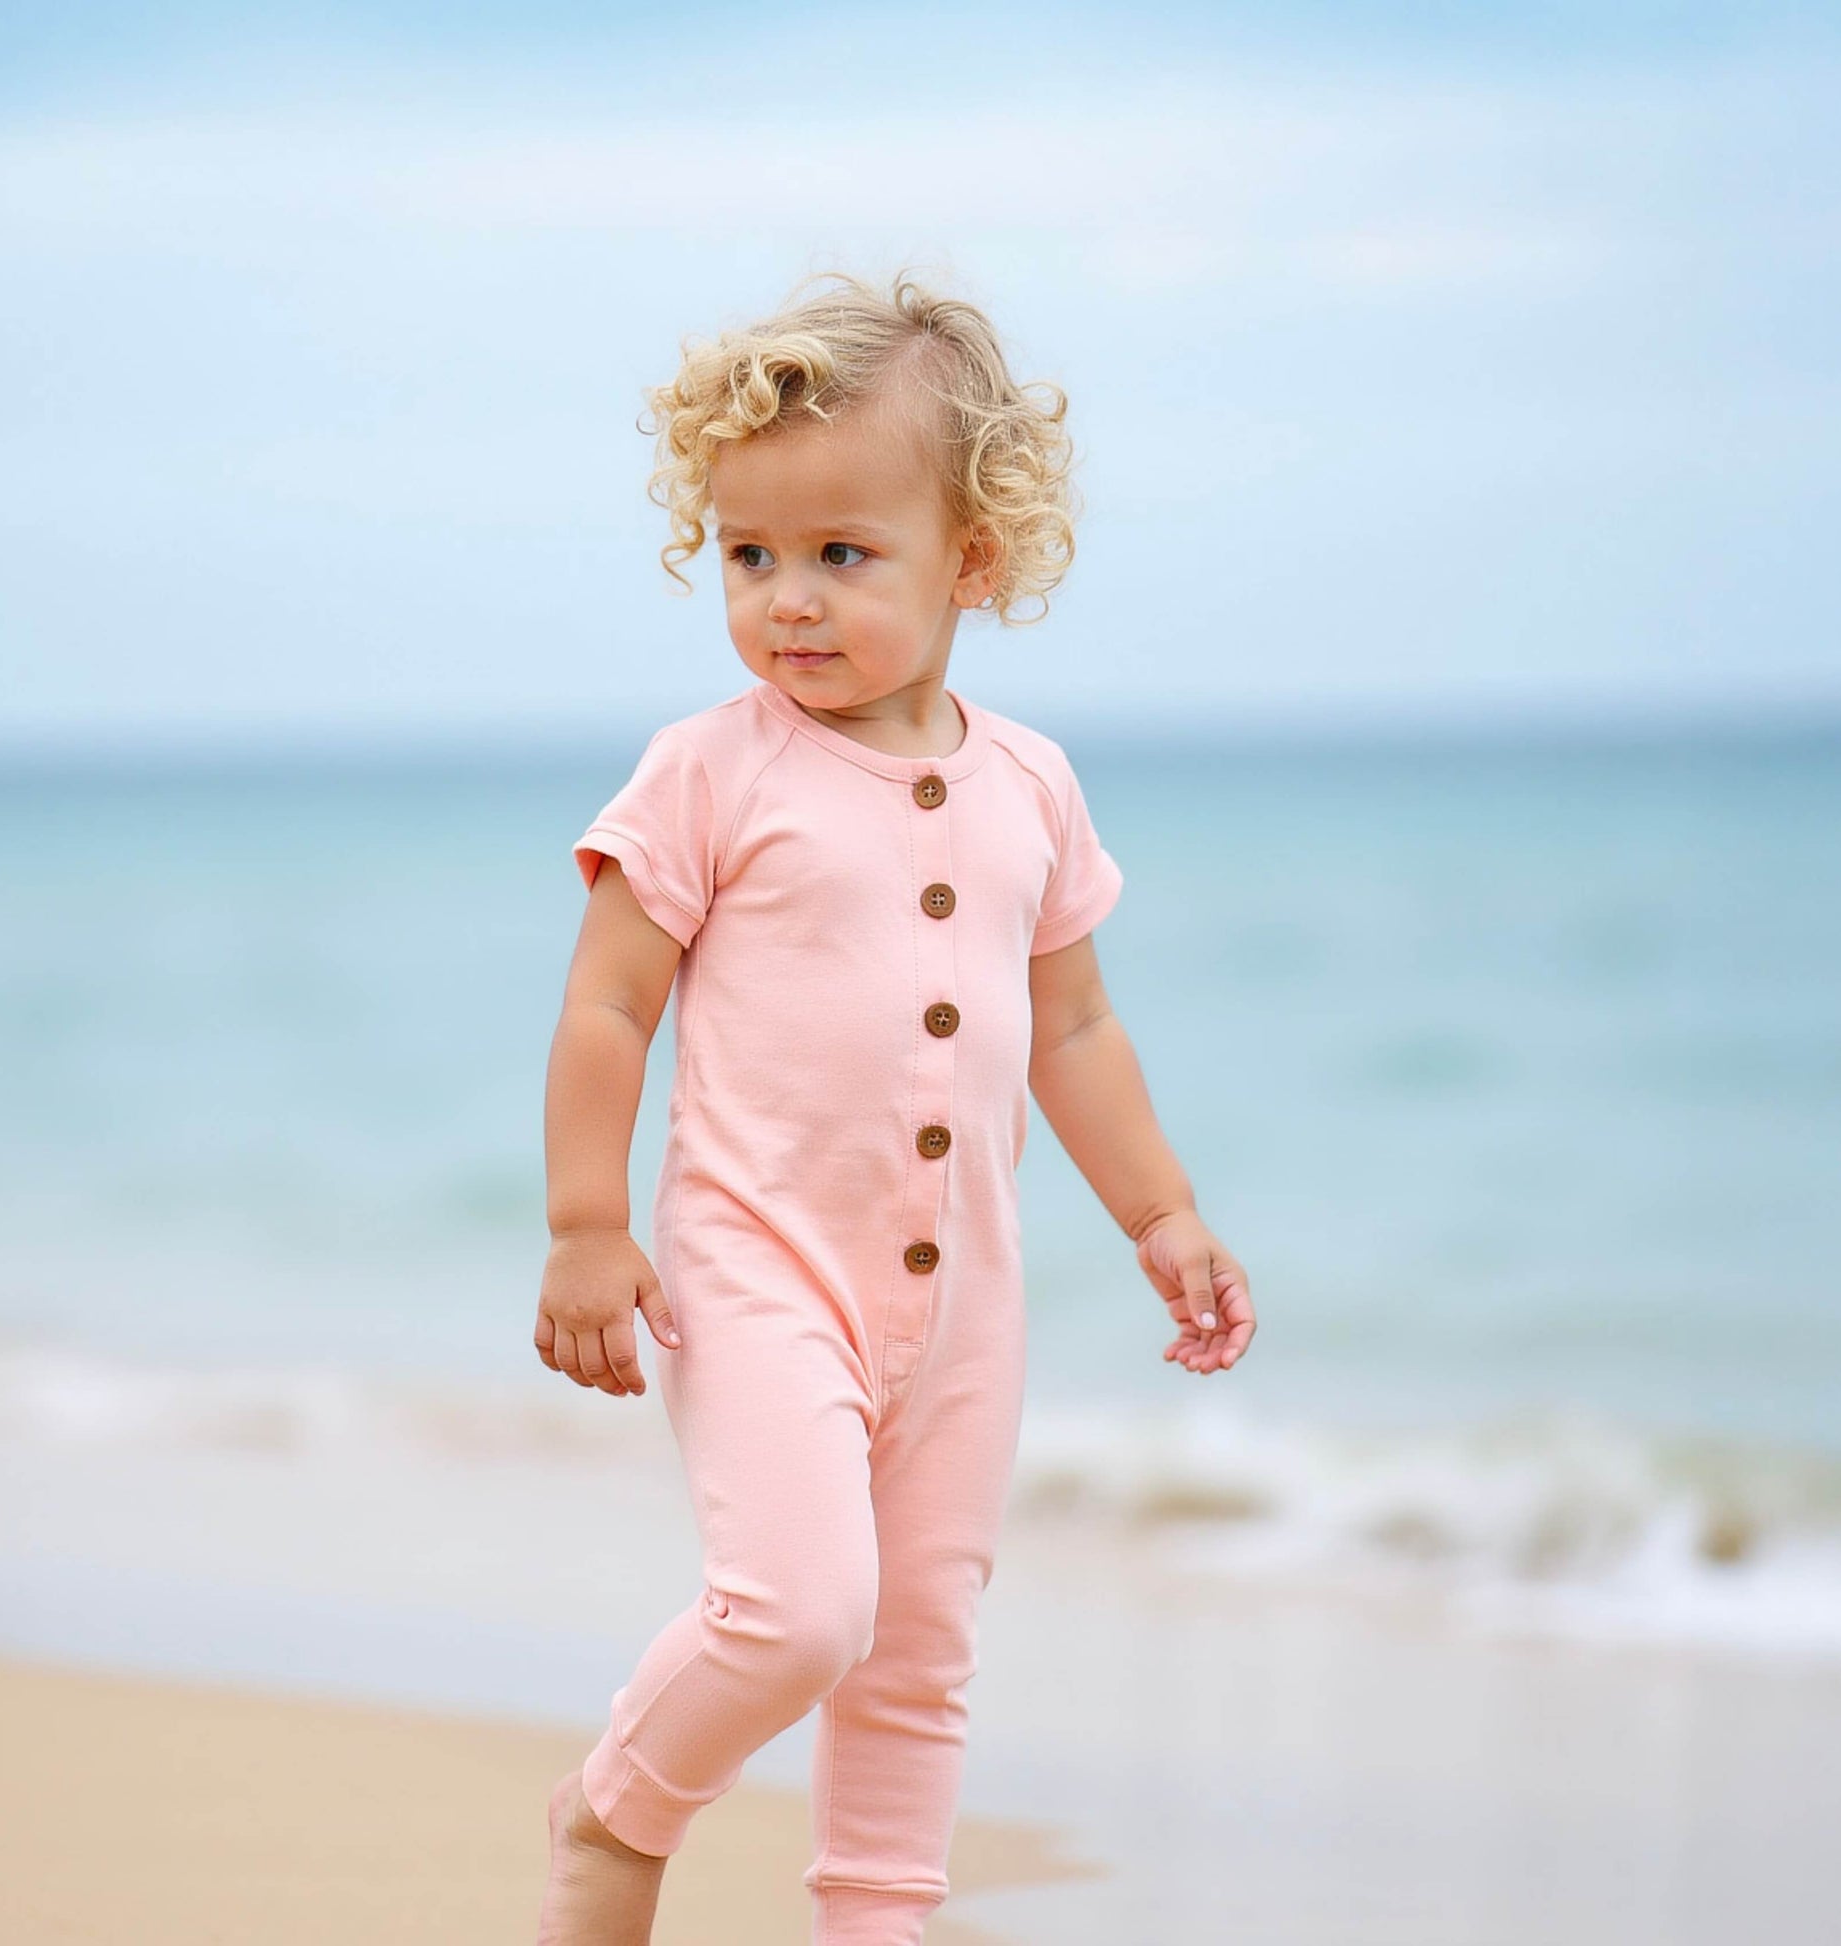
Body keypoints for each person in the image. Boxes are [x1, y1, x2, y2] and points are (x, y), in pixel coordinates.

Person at [531, 267, 1256, 1945]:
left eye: (840, 555)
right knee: (798, 1615)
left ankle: (879, 1918)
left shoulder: (1031, 785)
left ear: (971, 562)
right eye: (748, 556)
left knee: (919, 1642)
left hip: (966, 1307)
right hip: (759, 1266)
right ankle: (613, 1815)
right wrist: (585, 1221)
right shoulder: (710, 770)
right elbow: (609, 1000)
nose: (786, 599)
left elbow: (1072, 1027)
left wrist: (1161, 1213)